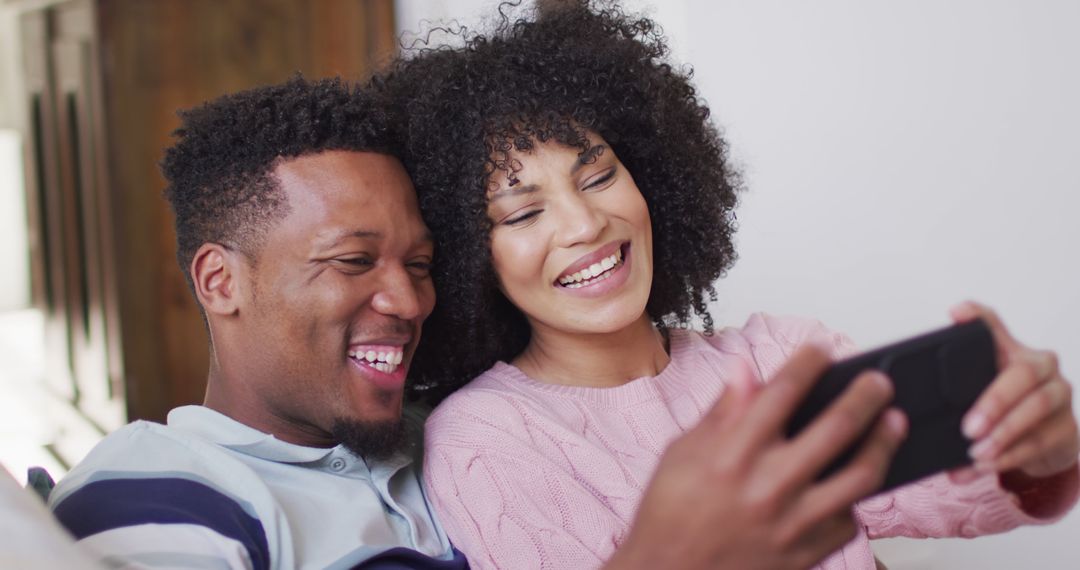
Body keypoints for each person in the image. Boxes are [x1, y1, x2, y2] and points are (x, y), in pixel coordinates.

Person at [43, 75, 906, 570]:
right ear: (220, 280)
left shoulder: (436, 442)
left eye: (421, 266)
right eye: (352, 262)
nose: (411, 302)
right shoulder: (160, 491)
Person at [384, 2, 1080, 569]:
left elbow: (962, 494)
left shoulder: (777, 359)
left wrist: (1038, 452)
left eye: (598, 175)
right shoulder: (486, 442)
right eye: (525, 212)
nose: (584, 223)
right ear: (470, 256)